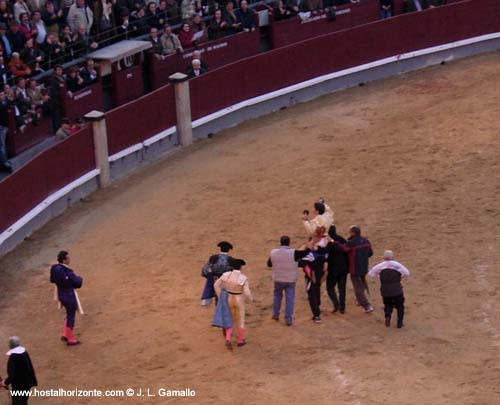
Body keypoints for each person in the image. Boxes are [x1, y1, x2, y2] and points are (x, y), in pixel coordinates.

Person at [267, 236, 311, 326]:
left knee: (277, 297)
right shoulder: (294, 253)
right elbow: (306, 252)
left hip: (278, 279)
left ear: (280, 242)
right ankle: (288, 319)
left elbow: (269, 264)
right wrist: (310, 243)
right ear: (289, 243)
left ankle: (275, 315)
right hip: (290, 280)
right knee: (290, 299)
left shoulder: (273, 252)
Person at [214, 259, 253, 350]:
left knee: (229, 319)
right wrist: (251, 299)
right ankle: (240, 340)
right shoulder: (243, 278)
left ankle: (228, 338)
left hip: (229, 298)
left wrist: (220, 296)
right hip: (239, 299)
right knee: (240, 320)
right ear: (241, 267)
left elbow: (216, 285)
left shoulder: (226, 275)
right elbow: (247, 293)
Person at [336, 225, 374, 313]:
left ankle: (366, 305)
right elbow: (370, 253)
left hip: (355, 268)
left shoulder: (351, 242)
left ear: (353, 233)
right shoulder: (366, 240)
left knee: (358, 288)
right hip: (364, 266)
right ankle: (363, 299)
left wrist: (336, 243)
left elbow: (344, 250)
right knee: (363, 282)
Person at [368, 250, 410, 328]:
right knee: (400, 306)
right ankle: (399, 322)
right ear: (392, 257)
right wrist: (400, 277)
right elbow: (407, 273)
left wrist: (379, 276)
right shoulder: (396, 264)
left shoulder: (380, 266)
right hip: (396, 289)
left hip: (385, 289)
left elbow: (371, 274)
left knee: (387, 304)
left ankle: (388, 316)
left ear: (384, 258)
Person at [50, 250, 83, 345]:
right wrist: (80, 278)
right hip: (68, 294)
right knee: (71, 315)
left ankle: (66, 334)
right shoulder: (67, 271)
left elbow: (52, 280)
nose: (69, 259)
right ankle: (70, 338)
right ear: (64, 260)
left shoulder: (55, 269)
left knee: (69, 314)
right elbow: (78, 283)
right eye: (68, 258)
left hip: (61, 293)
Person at [300, 227, 329, 322]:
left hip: (311, 275)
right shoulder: (323, 250)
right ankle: (318, 304)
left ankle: (316, 315)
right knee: (317, 288)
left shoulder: (309, 253)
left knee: (311, 293)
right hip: (320, 274)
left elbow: (301, 262)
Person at [4, 336, 37, 405]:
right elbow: (30, 367)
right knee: (24, 401)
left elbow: (12, 375)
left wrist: (5, 382)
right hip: (27, 383)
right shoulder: (24, 352)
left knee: (17, 402)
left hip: (18, 386)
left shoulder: (12, 358)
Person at [323, 225, 349, 314]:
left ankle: (336, 304)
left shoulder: (329, 243)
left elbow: (325, 255)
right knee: (342, 289)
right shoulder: (342, 240)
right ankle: (342, 307)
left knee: (330, 287)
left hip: (333, 269)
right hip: (343, 269)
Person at [200, 241, 235, 306]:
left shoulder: (214, 258)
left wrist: (210, 278)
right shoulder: (231, 260)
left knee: (217, 296)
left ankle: (218, 311)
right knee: (225, 298)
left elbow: (205, 270)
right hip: (226, 281)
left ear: (220, 248)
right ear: (229, 250)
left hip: (215, 279)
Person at [0, 89, 11, 173]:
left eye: (3, 94)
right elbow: (5, 105)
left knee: (4, 145)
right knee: (2, 146)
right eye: (1, 95)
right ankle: (5, 163)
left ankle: (5, 162)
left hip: (5, 126)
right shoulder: (2, 104)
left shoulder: (4, 102)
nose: (3, 96)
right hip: (1, 127)